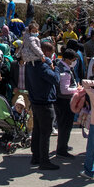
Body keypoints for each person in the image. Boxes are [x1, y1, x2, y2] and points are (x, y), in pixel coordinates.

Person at [27, 41, 60, 171]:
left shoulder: (30, 65)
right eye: (50, 54)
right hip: (45, 102)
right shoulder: (42, 66)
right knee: (45, 132)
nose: (51, 56)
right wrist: (55, 68)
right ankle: (44, 160)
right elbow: (56, 79)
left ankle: (36, 156)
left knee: (37, 130)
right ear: (45, 53)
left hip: (35, 101)